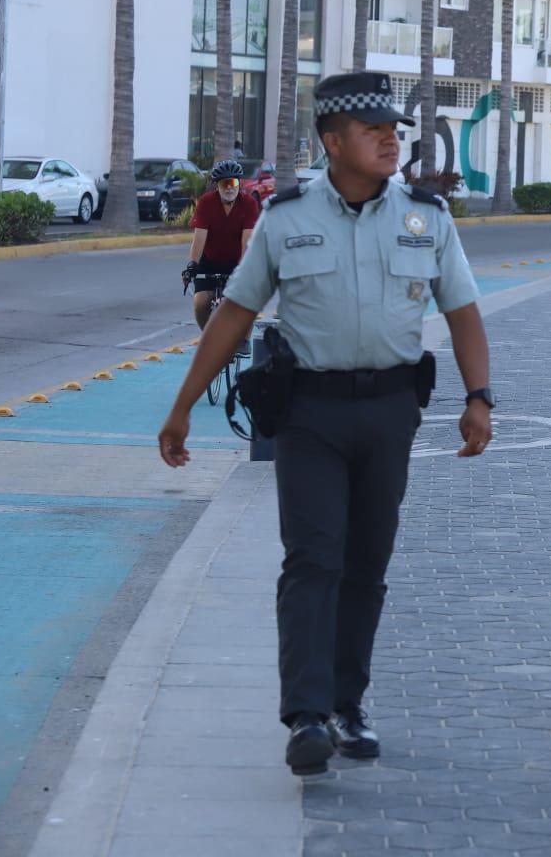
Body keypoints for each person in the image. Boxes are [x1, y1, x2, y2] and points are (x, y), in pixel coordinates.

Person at [157, 71, 494, 775]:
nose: (389, 140)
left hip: (391, 412)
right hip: (309, 413)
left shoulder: (427, 217)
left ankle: (348, 705)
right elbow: (236, 314)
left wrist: (480, 398)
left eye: (394, 130)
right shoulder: (285, 217)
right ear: (332, 140)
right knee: (313, 559)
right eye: (373, 130)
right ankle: (306, 715)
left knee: (366, 565)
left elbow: (463, 311)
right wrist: (184, 404)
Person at [182, 160, 260, 330]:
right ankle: (207, 336)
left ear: (239, 184)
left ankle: (244, 339)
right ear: (217, 186)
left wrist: (244, 268)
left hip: (238, 261)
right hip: (209, 260)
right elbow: (199, 237)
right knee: (200, 302)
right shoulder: (206, 202)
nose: (229, 188)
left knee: (245, 303)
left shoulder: (249, 204)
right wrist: (193, 264)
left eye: (233, 183)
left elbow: (247, 241)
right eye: (224, 184)